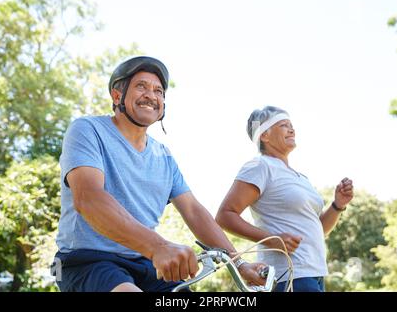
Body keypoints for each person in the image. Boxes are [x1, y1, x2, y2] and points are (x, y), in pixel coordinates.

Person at [52, 56, 267, 292]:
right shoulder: (88, 130)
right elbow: (89, 198)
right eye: (141, 86)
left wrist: (240, 264)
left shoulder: (163, 156)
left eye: (159, 91)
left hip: (143, 262)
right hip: (86, 261)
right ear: (117, 96)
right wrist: (158, 247)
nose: (152, 95)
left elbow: (194, 211)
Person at [215, 106, 354, 292]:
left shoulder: (300, 177)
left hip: (315, 273)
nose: (292, 129)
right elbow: (225, 215)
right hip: (288, 276)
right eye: (283, 125)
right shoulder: (260, 166)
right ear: (264, 135)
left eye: (291, 125)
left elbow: (318, 229)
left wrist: (338, 205)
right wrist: (271, 239)